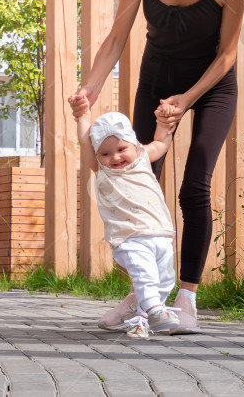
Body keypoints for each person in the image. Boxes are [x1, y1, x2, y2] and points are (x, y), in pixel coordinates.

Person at [69, 0, 244, 334]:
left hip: (210, 86)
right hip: (157, 78)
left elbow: (226, 56)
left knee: (195, 185)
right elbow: (117, 36)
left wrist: (186, 100)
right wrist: (89, 88)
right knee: (136, 183)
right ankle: (143, 298)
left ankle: (186, 297)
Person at [75, 106, 180, 338]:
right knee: (145, 275)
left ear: (134, 145)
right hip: (130, 238)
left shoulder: (142, 158)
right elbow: (85, 143)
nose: (115, 157)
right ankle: (154, 310)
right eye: (105, 153)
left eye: (122, 149)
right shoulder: (104, 172)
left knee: (165, 280)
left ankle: (141, 319)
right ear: (98, 157)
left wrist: (163, 123)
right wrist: (82, 117)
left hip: (160, 234)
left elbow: (161, 143)